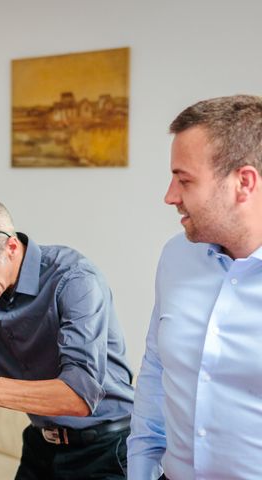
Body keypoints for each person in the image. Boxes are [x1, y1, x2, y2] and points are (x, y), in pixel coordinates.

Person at [0, 193, 134, 479]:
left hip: (106, 448)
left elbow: (79, 395)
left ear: (11, 247)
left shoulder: (75, 280)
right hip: (41, 443)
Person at [127, 95, 262, 480]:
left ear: (244, 183)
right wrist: (140, 470)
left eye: (184, 180)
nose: (170, 196)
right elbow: (156, 370)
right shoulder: (176, 257)